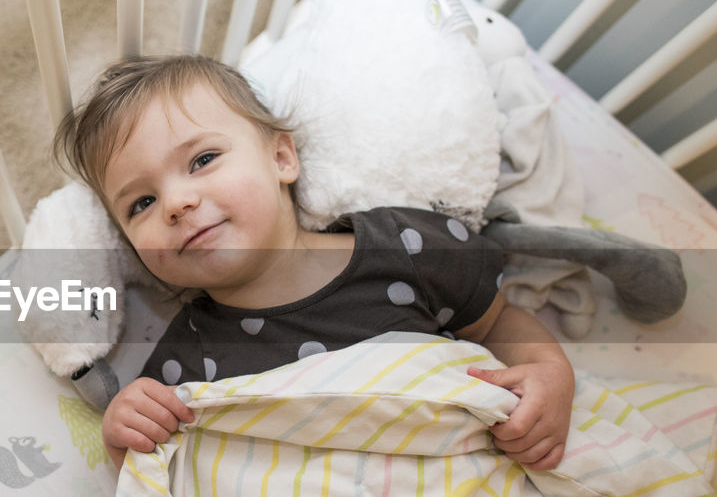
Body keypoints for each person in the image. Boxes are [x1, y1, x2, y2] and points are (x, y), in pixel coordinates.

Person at [54, 55, 574, 472]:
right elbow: (157, 467)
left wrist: (551, 374)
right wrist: (123, 431)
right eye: (141, 204)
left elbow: (498, 319)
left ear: (282, 158)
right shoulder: (187, 360)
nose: (176, 203)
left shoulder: (404, 247)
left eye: (202, 160)